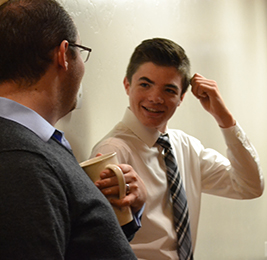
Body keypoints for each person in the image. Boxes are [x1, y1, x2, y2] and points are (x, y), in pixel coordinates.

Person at [91, 38, 264, 260]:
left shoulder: (186, 146)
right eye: (145, 84)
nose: (155, 98)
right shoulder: (112, 152)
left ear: (182, 97)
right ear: (127, 84)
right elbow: (102, 242)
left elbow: (250, 186)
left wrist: (224, 117)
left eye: (169, 90)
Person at [0, 0, 146, 259]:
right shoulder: (22, 159)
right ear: (63, 54)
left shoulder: (36, 145)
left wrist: (121, 213)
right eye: (80, 51)